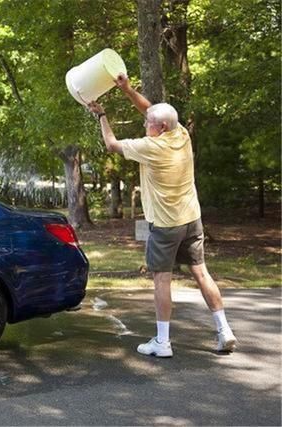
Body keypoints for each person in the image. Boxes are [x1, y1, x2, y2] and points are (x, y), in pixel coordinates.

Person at [87, 74, 237, 358]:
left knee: (162, 281)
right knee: (201, 272)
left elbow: (111, 144)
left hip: (166, 226)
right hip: (192, 219)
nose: (145, 124)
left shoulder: (151, 147)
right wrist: (128, 90)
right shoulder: (180, 134)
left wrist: (102, 115)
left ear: (161, 128)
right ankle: (224, 331)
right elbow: (150, 109)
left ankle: (163, 342)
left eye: (148, 124)